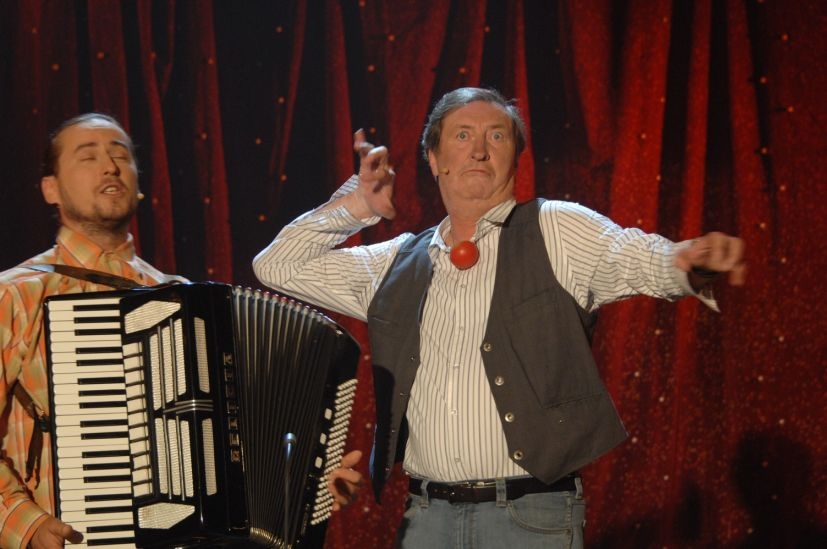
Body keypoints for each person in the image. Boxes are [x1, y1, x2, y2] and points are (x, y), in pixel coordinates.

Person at [253, 87, 746, 548]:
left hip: (530, 518)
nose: (479, 150)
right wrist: (356, 206)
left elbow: (636, 257)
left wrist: (686, 259)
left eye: (496, 136)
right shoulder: (394, 263)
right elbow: (277, 266)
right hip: (425, 519)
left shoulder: (555, 228)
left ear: (515, 155)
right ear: (434, 159)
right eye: (462, 136)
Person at [0, 113, 187, 549]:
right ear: (50, 189)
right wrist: (25, 523)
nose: (109, 166)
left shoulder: (182, 299)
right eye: (88, 157)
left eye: (120, 154)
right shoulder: (16, 295)